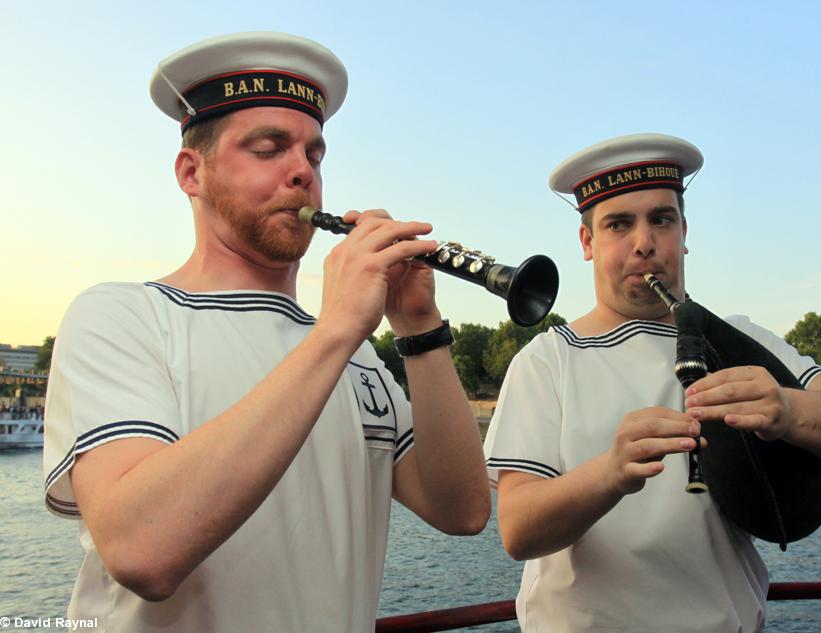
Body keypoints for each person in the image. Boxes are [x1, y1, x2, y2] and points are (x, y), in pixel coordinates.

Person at [42, 32, 490, 633]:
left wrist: (418, 328)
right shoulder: (122, 315)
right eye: (268, 148)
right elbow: (142, 551)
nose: (302, 172)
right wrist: (334, 332)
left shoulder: (352, 352)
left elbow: (461, 509)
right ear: (190, 172)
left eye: (314, 154)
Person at [483, 133, 821, 633]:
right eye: (618, 224)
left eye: (661, 219)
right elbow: (518, 529)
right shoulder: (547, 360)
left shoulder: (741, 337)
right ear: (587, 243)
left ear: (684, 230)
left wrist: (787, 408)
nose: (644, 243)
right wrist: (611, 472)